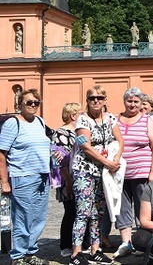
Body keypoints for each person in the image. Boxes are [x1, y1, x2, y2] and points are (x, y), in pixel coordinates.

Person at [69, 85, 123, 265]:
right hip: (85, 171)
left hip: (104, 173)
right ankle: (76, 252)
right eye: (92, 98)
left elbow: (120, 140)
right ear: (87, 101)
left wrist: (115, 159)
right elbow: (85, 146)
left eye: (100, 98)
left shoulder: (111, 118)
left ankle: (95, 249)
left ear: (105, 100)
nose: (96, 101)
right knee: (83, 211)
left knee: (98, 212)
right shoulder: (82, 121)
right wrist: (107, 162)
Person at [0, 89, 53, 265]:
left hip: (42, 176)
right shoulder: (13, 123)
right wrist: (5, 182)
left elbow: (44, 145)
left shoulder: (40, 121)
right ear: (20, 104)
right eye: (29, 102)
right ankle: (18, 256)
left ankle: (31, 252)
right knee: (23, 217)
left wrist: (55, 153)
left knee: (38, 218)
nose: (32, 105)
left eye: (36, 103)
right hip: (22, 176)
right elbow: (1, 154)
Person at [113, 88, 153, 259]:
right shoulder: (115, 120)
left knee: (144, 208)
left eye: (136, 101)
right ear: (124, 101)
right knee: (121, 208)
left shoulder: (146, 120)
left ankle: (143, 241)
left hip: (142, 172)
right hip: (118, 174)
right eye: (129, 101)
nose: (132, 104)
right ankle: (126, 242)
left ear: (141, 103)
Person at [53, 102, 82, 258]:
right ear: (73, 116)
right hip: (68, 179)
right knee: (70, 211)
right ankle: (65, 245)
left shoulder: (78, 132)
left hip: (79, 178)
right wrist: (69, 181)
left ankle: (79, 242)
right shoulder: (61, 133)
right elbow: (60, 160)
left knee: (80, 212)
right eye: (80, 113)